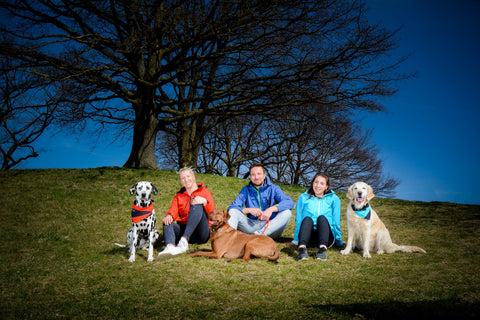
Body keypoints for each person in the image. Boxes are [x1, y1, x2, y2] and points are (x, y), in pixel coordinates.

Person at [158, 167, 215, 257]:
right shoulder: (179, 196)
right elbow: (173, 210)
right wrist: (169, 216)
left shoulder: (204, 191)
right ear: (181, 181)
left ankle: (184, 239)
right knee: (167, 221)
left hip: (201, 232)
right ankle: (170, 247)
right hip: (184, 229)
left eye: (188, 176)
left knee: (197, 203)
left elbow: (212, 212)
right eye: (183, 178)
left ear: (193, 176)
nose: (186, 180)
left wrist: (204, 201)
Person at [227, 163, 293, 240]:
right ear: (250, 176)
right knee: (233, 211)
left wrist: (271, 209)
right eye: (253, 175)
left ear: (264, 175)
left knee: (287, 213)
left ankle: (257, 236)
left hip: (271, 227)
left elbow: (289, 202)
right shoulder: (246, 189)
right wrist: (249, 210)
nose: (256, 177)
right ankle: (228, 240)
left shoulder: (274, 188)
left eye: (259, 174)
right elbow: (232, 208)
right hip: (251, 226)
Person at [293, 173, 344, 261]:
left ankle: (322, 250)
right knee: (307, 219)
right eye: (316, 182)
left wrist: (339, 241)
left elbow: (336, 221)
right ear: (312, 183)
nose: (318, 185)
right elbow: (298, 220)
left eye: (322, 183)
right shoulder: (303, 197)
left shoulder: (334, 199)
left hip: (326, 236)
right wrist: (296, 240)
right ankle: (302, 249)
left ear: (326, 187)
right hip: (308, 235)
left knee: (322, 218)